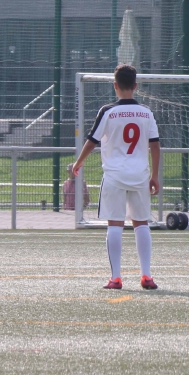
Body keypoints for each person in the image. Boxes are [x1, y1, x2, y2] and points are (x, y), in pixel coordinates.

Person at [71, 65, 161, 290]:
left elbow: (92, 141)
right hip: (140, 175)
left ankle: (116, 277)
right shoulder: (146, 112)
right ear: (136, 86)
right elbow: (155, 145)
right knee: (141, 223)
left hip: (115, 176)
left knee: (115, 224)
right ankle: (147, 275)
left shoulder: (108, 111)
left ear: (115, 85)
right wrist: (155, 175)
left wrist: (79, 162)